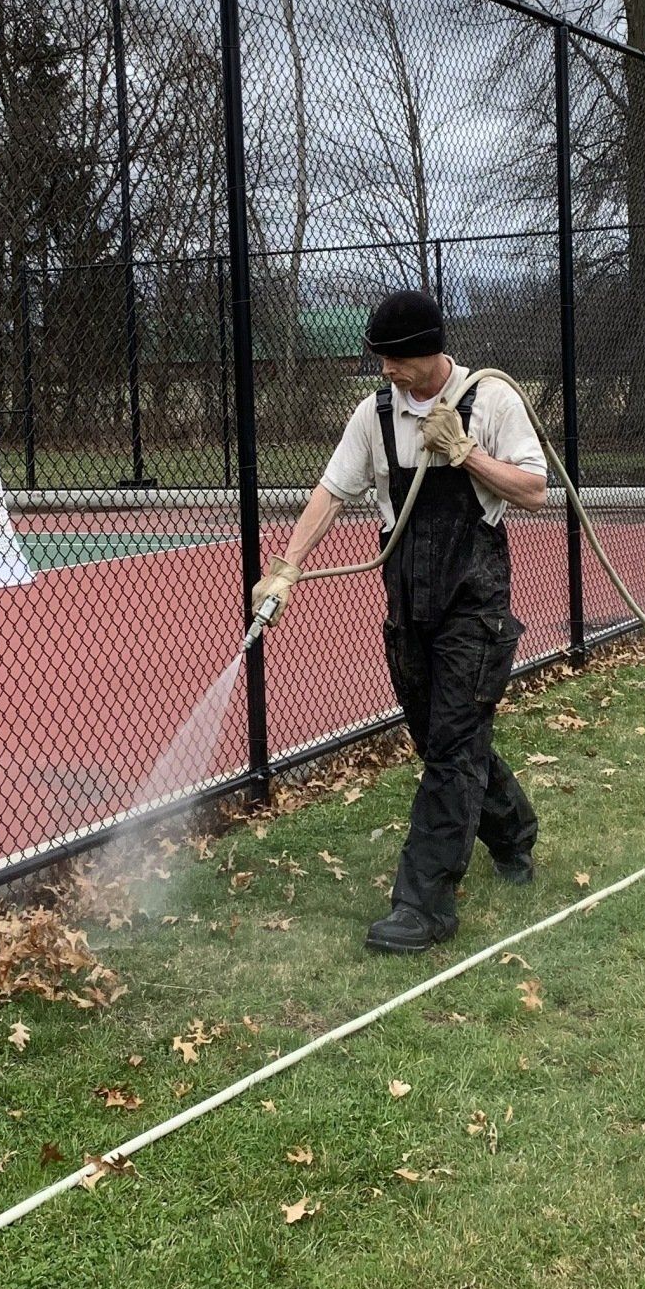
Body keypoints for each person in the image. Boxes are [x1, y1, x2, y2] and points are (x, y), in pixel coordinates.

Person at [252, 289, 547, 953]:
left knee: (450, 743)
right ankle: (514, 830)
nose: (384, 368)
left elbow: (533, 491)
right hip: (408, 602)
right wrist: (287, 566)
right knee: (441, 737)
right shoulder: (373, 414)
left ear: (429, 350)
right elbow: (332, 493)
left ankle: (425, 905)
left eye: (394, 358)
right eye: (379, 358)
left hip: (475, 604)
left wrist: (465, 452)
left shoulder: (491, 399)